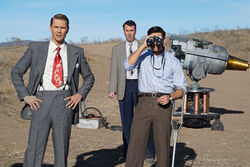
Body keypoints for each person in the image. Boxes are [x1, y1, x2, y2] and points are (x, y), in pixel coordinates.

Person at [11, 14, 95, 167]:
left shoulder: (76, 52)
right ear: (50, 28)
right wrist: (26, 96)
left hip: (65, 102)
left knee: (61, 150)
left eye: (62, 27)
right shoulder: (35, 48)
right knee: (34, 148)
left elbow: (89, 77)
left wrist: (79, 94)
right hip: (40, 101)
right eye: (56, 27)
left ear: (67, 30)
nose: (59, 31)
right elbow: (16, 72)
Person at [124, 26, 187, 167]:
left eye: (158, 39)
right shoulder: (143, 56)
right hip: (144, 103)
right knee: (136, 143)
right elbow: (127, 65)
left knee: (162, 145)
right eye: (152, 39)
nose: (155, 42)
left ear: (164, 40)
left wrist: (170, 97)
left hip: (164, 105)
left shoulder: (173, 61)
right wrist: (143, 46)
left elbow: (182, 87)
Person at [108, 20, 155, 162]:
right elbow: (114, 70)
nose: (130, 33)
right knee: (126, 122)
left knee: (145, 121)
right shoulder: (117, 49)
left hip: (142, 87)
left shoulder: (145, 47)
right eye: (127, 31)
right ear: (123, 31)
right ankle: (128, 152)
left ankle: (149, 152)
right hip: (124, 87)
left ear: (136, 31)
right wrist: (112, 89)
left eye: (132, 30)